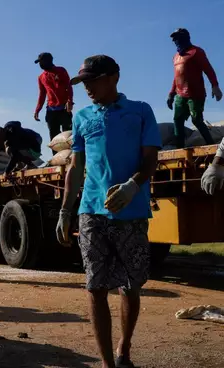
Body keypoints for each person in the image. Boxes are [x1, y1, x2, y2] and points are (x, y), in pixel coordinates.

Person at [56, 55, 161, 368]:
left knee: (130, 285)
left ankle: (124, 348)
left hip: (132, 210)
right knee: (95, 286)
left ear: (114, 77)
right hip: (91, 212)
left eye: (93, 80)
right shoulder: (82, 116)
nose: (87, 87)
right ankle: (106, 364)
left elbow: (150, 160)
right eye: (84, 81)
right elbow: (76, 167)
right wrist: (65, 210)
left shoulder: (140, 111)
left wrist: (132, 186)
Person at [168, 28, 222, 148]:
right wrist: (171, 93)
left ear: (185, 37)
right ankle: (180, 147)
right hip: (180, 94)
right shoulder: (176, 57)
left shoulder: (196, 52)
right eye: (174, 39)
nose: (175, 41)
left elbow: (208, 69)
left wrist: (215, 86)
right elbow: (177, 76)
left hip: (195, 94)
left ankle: (210, 144)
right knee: (177, 119)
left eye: (177, 37)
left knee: (196, 120)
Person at [33, 52, 74, 149]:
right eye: (39, 62)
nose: (40, 64)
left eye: (42, 62)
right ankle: (56, 156)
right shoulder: (41, 77)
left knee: (68, 134)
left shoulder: (61, 71)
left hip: (64, 108)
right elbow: (42, 94)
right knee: (53, 136)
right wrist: (37, 109)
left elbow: (69, 87)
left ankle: (71, 156)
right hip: (51, 109)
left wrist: (70, 101)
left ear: (49, 61)